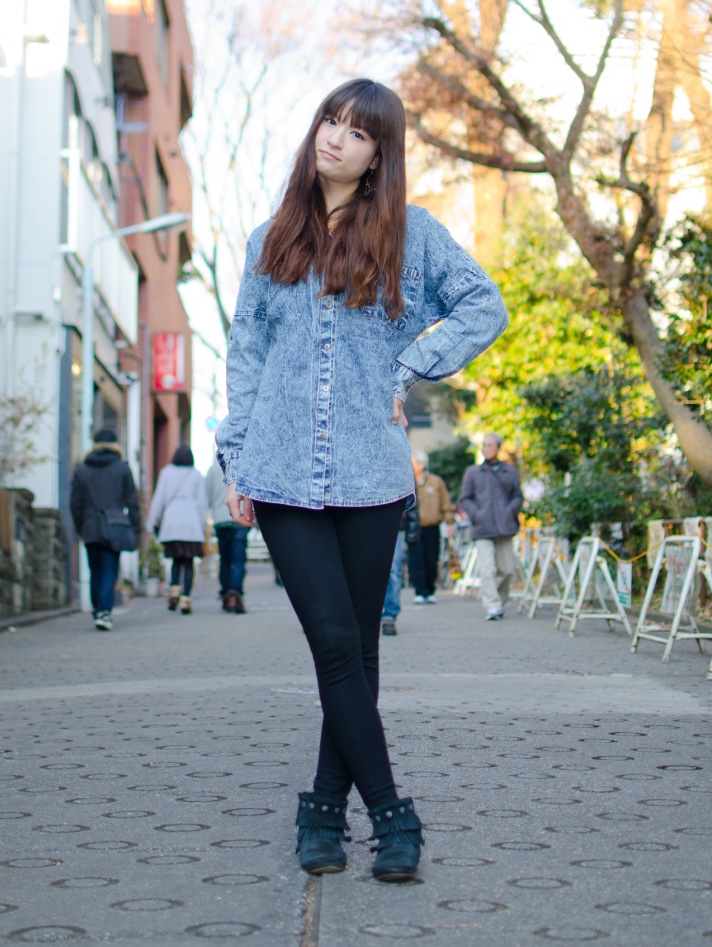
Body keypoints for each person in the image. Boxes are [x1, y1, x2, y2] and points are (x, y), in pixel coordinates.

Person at [215, 78, 507, 882]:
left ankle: (320, 809)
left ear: (381, 153)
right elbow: (245, 356)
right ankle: (391, 812)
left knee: (359, 653)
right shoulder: (271, 240)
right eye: (329, 122)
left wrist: (411, 367)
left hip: (372, 473)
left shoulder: (412, 236)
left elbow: (485, 305)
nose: (335, 138)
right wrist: (235, 456)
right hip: (278, 469)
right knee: (337, 641)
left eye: (356, 130)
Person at [70, 428, 141, 631]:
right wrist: (135, 529)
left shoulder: (82, 469)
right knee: (110, 569)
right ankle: (104, 612)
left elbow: (75, 503)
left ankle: (98, 610)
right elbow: (133, 502)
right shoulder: (122, 468)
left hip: (90, 527)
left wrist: (80, 526)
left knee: (96, 571)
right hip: (115, 526)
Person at [458, 433, 523, 620]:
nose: (485, 448)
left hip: (505, 527)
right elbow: (465, 498)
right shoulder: (473, 472)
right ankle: (492, 606)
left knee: (507, 570)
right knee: (486, 570)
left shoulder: (509, 471)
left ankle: (500, 602)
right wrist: (477, 514)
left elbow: (517, 496)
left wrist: (510, 511)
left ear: (498, 448)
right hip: (483, 527)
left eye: (489, 445)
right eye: (483, 445)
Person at [146, 445, 206, 615]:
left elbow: (159, 498)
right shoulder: (196, 475)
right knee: (188, 562)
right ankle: (186, 599)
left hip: (171, 524)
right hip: (191, 525)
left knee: (175, 560)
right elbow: (202, 503)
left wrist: (151, 522)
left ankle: (173, 592)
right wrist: (202, 526)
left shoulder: (166, 472)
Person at [408, 450, 454, 603]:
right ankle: (420, 592)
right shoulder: (408, 482)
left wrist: (449, 522)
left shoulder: (436, 482)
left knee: (431, 559)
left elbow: (446, 503)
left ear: (421, 465)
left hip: (433, 527)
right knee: (416, 560)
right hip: (414, 528)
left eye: (413, 462)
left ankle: (430, 590)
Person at [206, 461, 250, 613]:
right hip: (241, 518)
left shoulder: (212, 469)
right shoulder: (244, 464)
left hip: (221, 520)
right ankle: (236, 592)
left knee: (225, 560)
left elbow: (208, 496)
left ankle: (226, 593)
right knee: (238, 559)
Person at [380, 500, 419, 637]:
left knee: (393, 568)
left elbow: (412, 501)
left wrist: (413, 529)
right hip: (360, 517)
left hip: (392, 520)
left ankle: (389, 616)